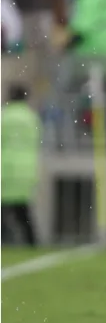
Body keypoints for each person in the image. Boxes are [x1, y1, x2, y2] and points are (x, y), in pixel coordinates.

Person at [1, 83, 41, 246]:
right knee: (23, 213)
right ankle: (32, 243)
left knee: (3, 212)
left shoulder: (4, 116)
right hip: (26, 169)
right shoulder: (32, 117)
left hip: (6, 167)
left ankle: (4, 241)